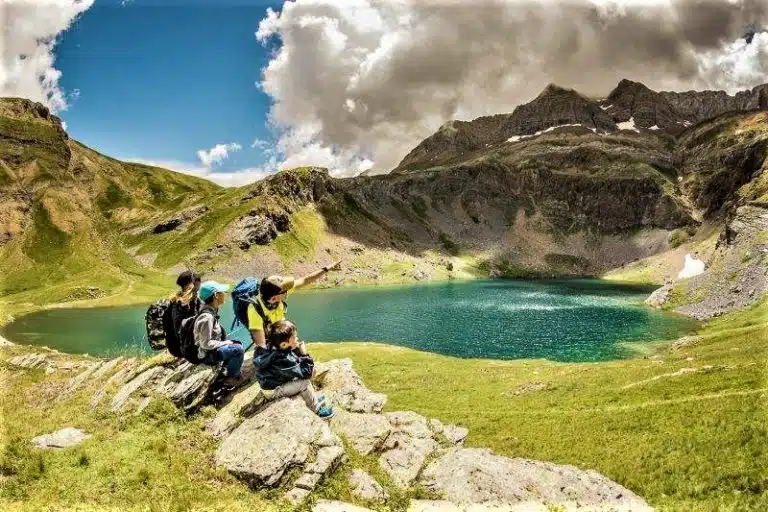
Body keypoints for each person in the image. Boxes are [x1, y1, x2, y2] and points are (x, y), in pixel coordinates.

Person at [248, 261, 342, 354]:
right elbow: (261, 345)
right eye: (285, 291)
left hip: (281, 335)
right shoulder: (255, 309)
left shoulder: (277, 296)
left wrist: (326, 269)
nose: (288, 292)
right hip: (272, 341)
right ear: (274, 298)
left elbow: (305, 280)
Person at [253, 320, 333, 419]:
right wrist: (303, 353)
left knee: (309, 372)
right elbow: (306, 373)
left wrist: (295, 349)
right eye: (294, 337)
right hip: (273, 390)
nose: (297, 338)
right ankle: (317, 410)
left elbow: (295, 364)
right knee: (304, 382)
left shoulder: (274, 346)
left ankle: (313, 398)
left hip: (273, 382)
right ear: (283, 344)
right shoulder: (281, 358)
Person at [195, 280, 245, 388]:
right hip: (207, 356)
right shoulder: (206, 317)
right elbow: (205, 343)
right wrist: (225, 343)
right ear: (216, 295)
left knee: (236, 343)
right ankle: (231, 379)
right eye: (222, 292)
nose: (225, 295)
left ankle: (225, 368)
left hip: (211, 351)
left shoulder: (211, 311)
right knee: (238, 349)